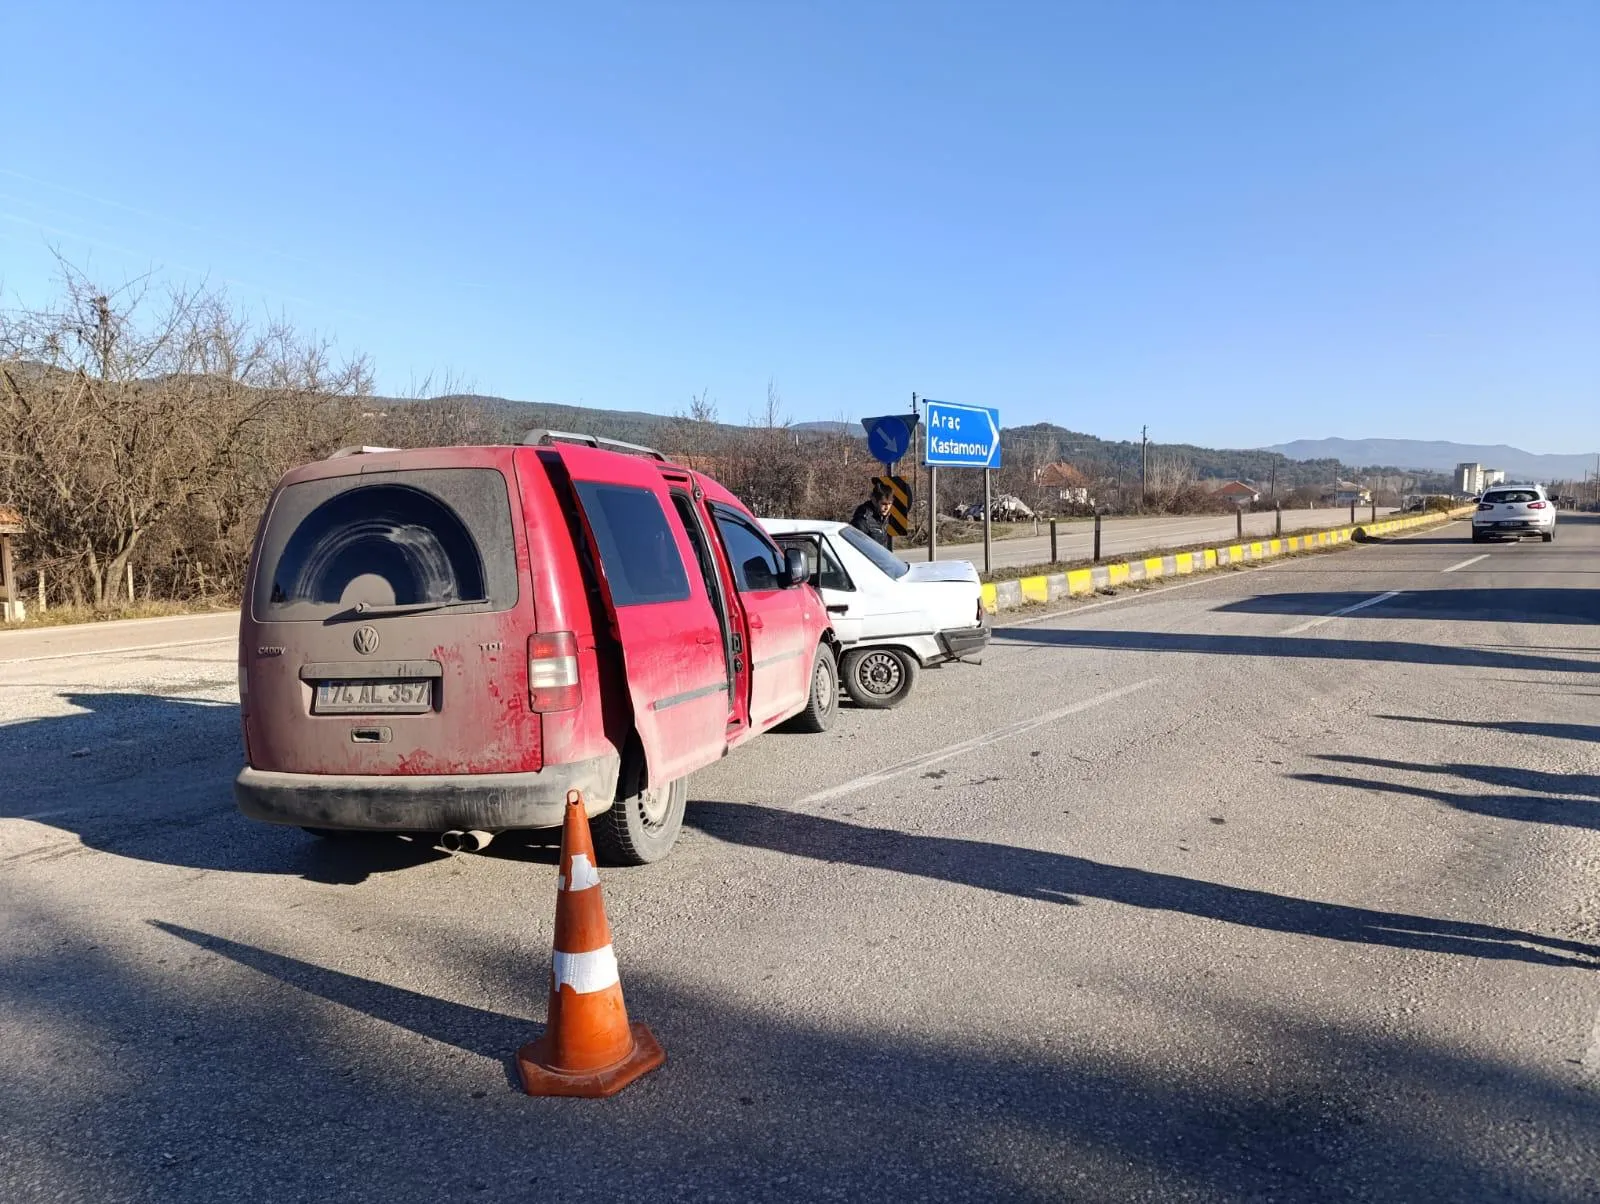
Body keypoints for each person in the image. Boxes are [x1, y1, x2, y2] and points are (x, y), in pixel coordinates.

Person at [850, 483, 893, 549]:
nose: (887, 507)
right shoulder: (862, 520)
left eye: (889, 504)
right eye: (883, 504)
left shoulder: (882, 517)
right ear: (874, 500)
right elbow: (855, 548)